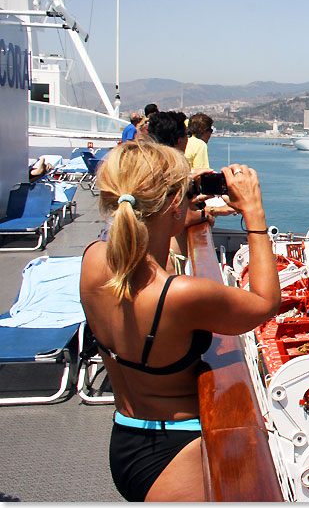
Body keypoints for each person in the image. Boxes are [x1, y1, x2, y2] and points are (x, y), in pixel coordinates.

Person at [79, 141, 281, 501]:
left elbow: (144, 239)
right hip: (176, 450)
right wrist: (254, 213)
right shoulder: (179, 294)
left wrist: (180, 207)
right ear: (172, 205)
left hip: (126, 433)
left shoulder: (94, 259)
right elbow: (265, 303)